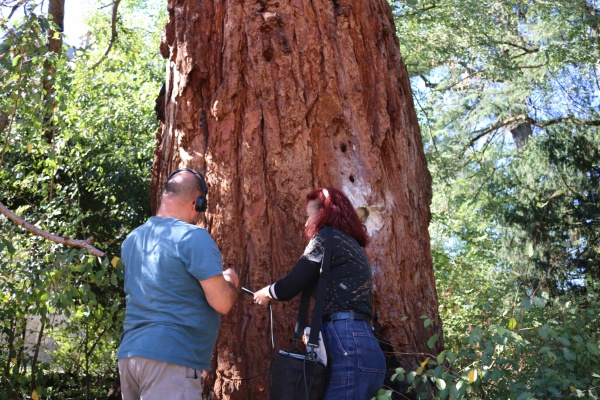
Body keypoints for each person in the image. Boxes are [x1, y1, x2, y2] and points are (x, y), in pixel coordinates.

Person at [117, 168, 240, 400]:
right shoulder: (193, 237)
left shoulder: (132, 239)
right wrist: (229, 280)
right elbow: (223, 302)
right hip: (169, 358)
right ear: (198, 203)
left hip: (130, 355)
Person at [254, 187, 386, 400]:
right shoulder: (353, 246)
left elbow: (291, 285)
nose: (306, 223)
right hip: (366, 344)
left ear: (323, 214)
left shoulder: (326, 237)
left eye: (309, 215)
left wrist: (267, 292)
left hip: (346, 343)